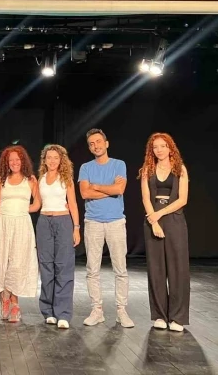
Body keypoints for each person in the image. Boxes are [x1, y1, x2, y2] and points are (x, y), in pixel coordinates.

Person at [78, 128, 135, 328]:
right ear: (89, 147)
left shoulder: (119, 164)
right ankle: (97, 310)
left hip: (115, 221)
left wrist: (96, 186)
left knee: (120, 269)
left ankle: (121, 311)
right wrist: (109, 189)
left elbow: (120, 189)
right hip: (93, 222)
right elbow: (85, 194)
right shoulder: (85, 167)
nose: (96, 146)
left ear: (106, 143)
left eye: (98, 142)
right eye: (91, 144)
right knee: (92, 269)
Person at [139, 133, 190, 332]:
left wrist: (159, 214)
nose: (159, 150)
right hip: (153, 221)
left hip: (174, 220)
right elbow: (146, 198)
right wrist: (153, 221)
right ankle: (160, 315)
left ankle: (177, 317)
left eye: (163, 146)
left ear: (170, 148)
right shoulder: (147, 170)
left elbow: (182, 199)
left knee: (178, 269)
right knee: (156, 269)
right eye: (155, 147)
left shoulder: (180, 169)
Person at [0, 145, 41, 323]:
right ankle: (4, 299)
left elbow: (37, 204)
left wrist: (22, 209)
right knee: (1, 262)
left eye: (18, 159)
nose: (15, 163)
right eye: (11, 160)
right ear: (6, 163)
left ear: (23, 161)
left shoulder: (30, 180)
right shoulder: (1, 180)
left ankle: (14, 303)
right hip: (2, 223)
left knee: (17, 264)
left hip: (22, 225)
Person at [36, 144, 80, 329]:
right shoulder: (41, 179)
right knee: (46, 266)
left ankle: (63, 313)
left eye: (56, 157)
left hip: (63, 221)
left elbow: (73, 203)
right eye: (49, 157)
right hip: (44, 222)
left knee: (63, 266)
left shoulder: (66, 178)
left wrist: (76, 228)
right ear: (44, 160)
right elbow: (37, 203)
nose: (52, 160)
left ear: (61, 160)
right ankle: (48, 311)